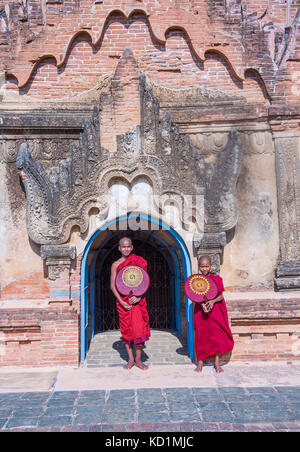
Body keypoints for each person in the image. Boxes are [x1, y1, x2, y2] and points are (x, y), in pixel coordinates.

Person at [110, 237, 150, 370]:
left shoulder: (138, 261)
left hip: (138, 302)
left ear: (132, 247)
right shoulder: (115, 265)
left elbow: (145, 282)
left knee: (139, 332)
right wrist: (121, 301)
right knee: (127, 332)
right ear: (119, 248)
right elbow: (113, 286)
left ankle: (138, 360)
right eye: (123, 247)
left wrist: (139, 296)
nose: (126, 249)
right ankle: (130, 360)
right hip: (124, 303)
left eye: (128, 247)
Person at [193, 255, 234, 373]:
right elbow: (193, 295)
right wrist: (201, 304)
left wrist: (212, 301)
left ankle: (217, 363)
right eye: (202, 266)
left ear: (210, 266)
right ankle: (200, 362)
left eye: (206, 266)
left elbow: (221, 295)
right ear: (199, 266)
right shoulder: (196, 280)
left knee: (217, 336)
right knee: (201, 336)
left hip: (214, 311)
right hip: (201, 313)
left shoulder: (217, 279)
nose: (204, 269)